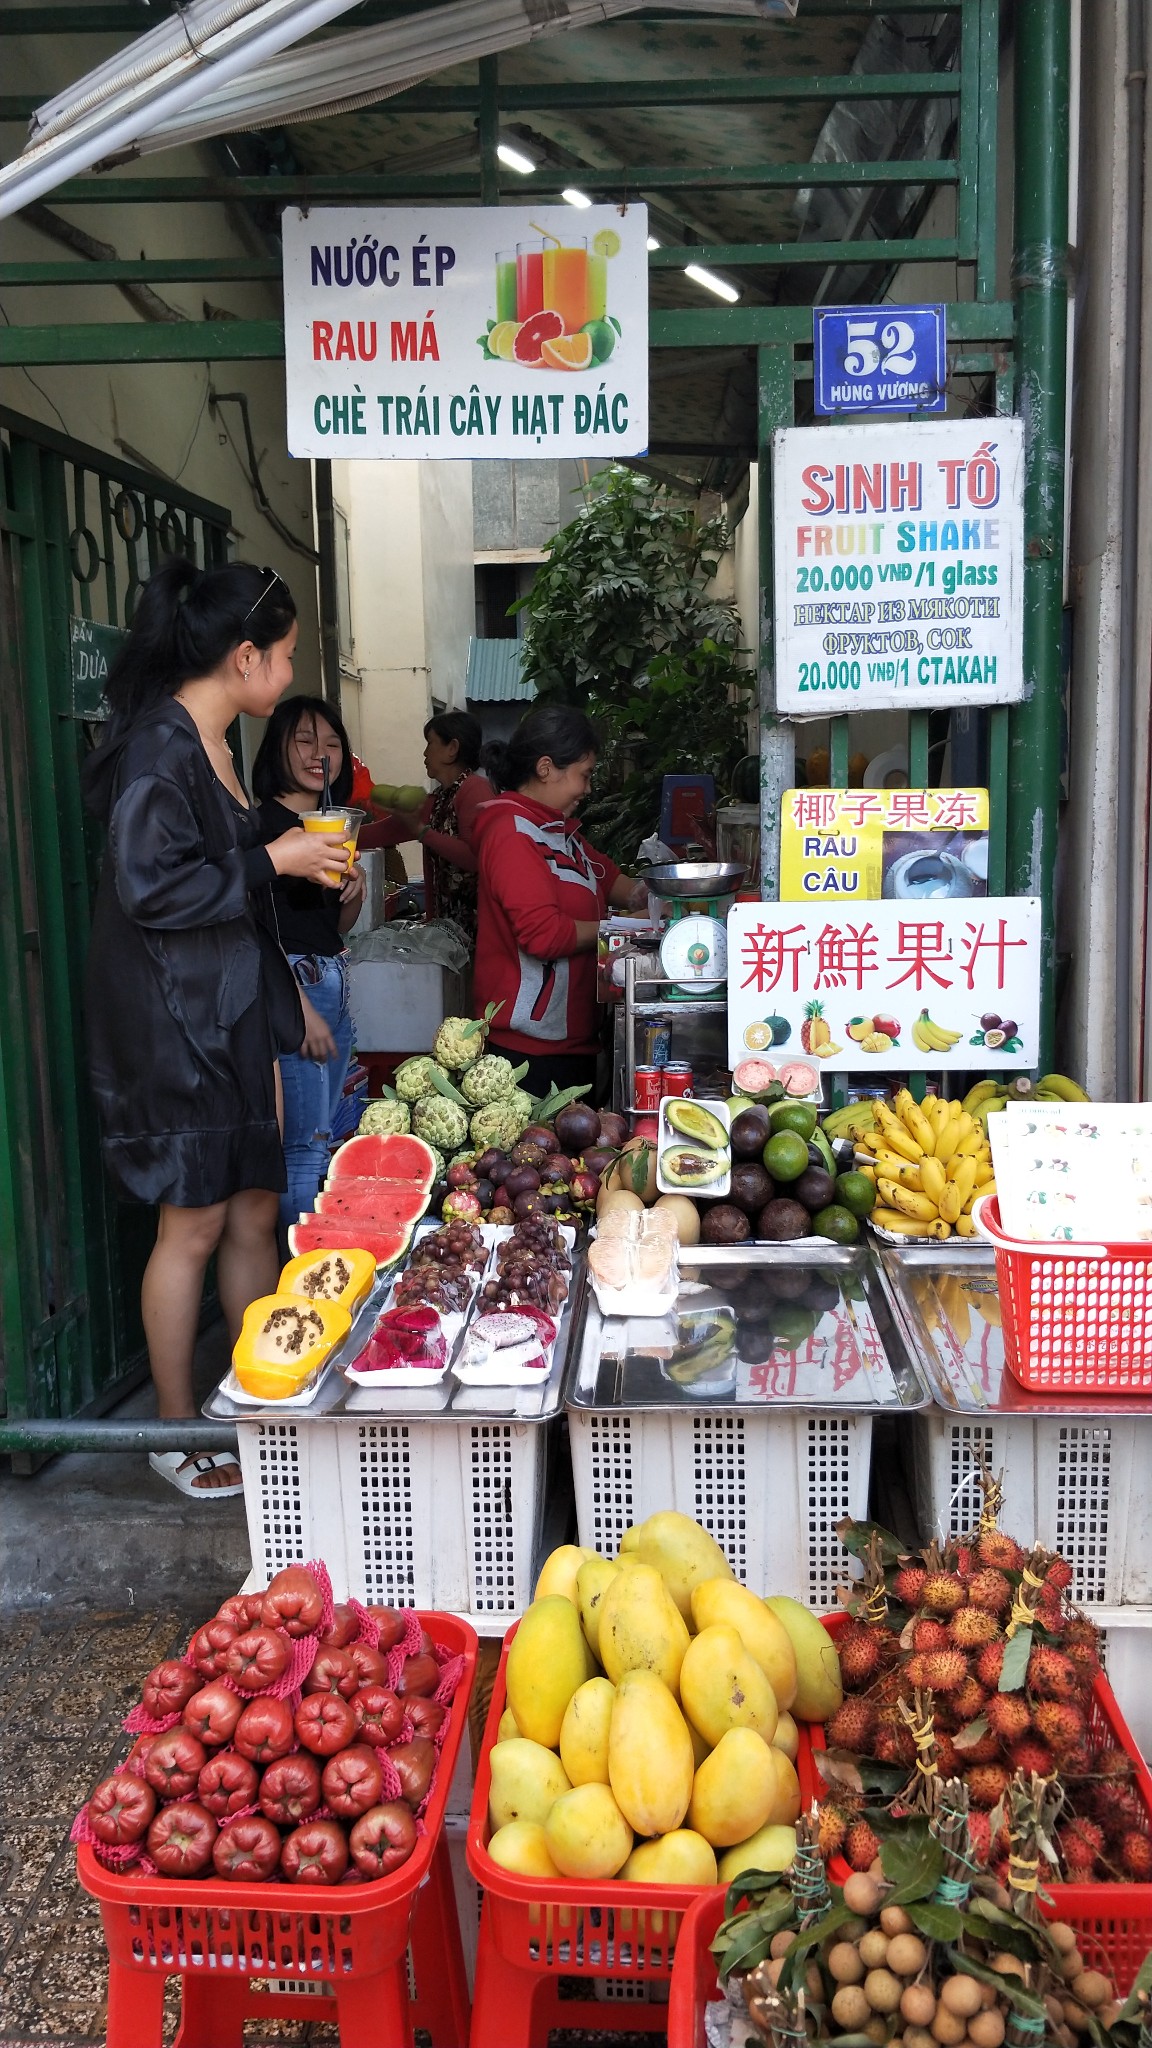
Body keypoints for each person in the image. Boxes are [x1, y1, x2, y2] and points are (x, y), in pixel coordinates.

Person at [81, 559, 352, 1499]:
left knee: (248, 1209)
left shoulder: (219, 744)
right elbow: (151, 889)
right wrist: (274, 855)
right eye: (281, 656)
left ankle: (253, 1398)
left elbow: (242, 899)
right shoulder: (161, 750)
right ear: (243, 658)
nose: (287, 672)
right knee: (190, 1223)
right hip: (173, 1026)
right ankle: (167, 1428)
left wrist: (292, 993)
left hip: (229, 1016)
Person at [472, 705, 646, 1098]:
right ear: (546, 767)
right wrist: (626, 926)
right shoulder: (512, 834)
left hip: (571, 1040)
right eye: (584, 776)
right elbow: (543, 935)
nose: (586, 789)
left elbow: (613, 880)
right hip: (530, 1052)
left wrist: (665, 896)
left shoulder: (557, 832)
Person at [251, 696, 367, 1234]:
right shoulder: (266, 827)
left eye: (331, 742)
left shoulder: (329, 823)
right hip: (295, 986)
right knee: (303, 1147)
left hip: (331, 980)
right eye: (304, 740)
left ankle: (314, 1269)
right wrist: (299, 1010)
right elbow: (259, 929)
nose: (320, 753)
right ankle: (297, 1279)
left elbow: (332, 928)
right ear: (278, 746)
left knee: (322, 1140)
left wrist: (354, 893)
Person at [360, 710, 493, 940]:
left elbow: (476, 857)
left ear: (452, 748)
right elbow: (382, 833)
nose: (424, 752)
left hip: (478, 932)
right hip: (447, 931)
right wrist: (330, 832)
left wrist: (421, 831)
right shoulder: (438, 799)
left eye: (430, 743)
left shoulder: (475, 790)